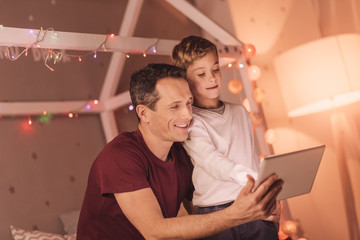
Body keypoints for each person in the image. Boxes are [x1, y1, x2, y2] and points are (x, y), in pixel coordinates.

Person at [77, 63, 283, 240]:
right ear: (144, 113)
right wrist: (237, 215)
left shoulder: (183, 153)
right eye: (175, 107)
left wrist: (261, 209)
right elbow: (154, 232)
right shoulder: (119, 156)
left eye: (189, 103)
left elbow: (203, 209)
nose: (188, 115)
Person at [172, 36, 280, 240]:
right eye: (201, 74)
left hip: (254, 204)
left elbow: (250, 156)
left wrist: (268, 195)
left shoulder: (240, 111)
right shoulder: (192, 120)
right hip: (215, 211)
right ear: (185, 79)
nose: (212, 78)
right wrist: (248, 178)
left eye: (215, 69)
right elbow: (210, 159)